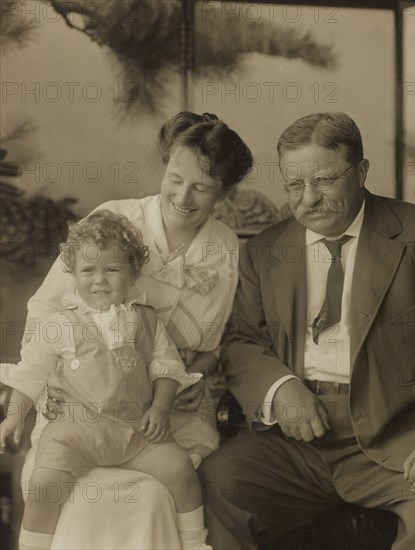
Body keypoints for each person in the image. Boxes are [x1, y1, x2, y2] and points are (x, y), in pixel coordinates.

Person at [199, 112, 415, 550]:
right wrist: (280, 389)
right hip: (299, 436)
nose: (308, 199)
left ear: (362, 172)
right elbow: (240, 340)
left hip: (401, 432)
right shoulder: (265, 251)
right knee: (219, 482)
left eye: (325, 180)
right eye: (294, 185)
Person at [18, 111, 253, 549]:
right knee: (81, 499)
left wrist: (196, 373)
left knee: (155, 496)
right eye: (175, 178)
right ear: (164, 165)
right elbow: (46, 313)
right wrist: (52, 382)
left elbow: (223, 342)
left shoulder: (226, 249)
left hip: (170, 416)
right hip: (82, 407)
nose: (183, 197)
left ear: (224, 190)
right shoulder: (114, 220)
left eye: (202, 187)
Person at [1, 209, 215, 550]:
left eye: (112, 270)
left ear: (132, 274)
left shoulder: (146, 320)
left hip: (133, 432)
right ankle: (32, 547)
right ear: (73, 274)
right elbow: (31, 372)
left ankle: (194, 542)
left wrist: (160, 408)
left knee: (180, 470)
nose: (99, 280)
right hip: (74, 434)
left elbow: (167, 368)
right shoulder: (60, 323)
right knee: (44, 485)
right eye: (88, 270)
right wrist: (14, 415)